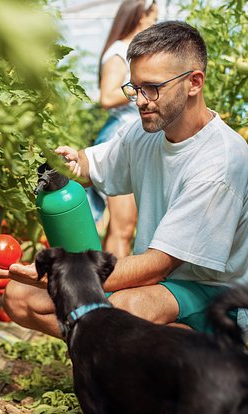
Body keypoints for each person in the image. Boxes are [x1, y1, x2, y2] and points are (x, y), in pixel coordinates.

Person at [0, 21, 248, 338]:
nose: (139, 100)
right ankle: (113, 354)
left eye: (152, 88)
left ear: (194, 82)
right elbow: (89, 166)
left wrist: (56, 275)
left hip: (219, 300)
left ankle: (205, 359)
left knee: (122, 310)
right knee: (19, 296)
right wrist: (56, 159)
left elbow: (157, 265)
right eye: (134, 88)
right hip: (159, 287)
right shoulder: (143, 133)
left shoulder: (219, 162)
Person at [88, 0, 158, 258]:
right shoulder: (119, 51)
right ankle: (112, 293)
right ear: (140, 17)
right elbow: (106, 97)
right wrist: (144, 86)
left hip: (134, 138)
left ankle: (107, 288)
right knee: (123, 226)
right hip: (119, 137)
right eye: (153, 18)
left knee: (125, 226)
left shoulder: (132, 52)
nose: (154, 24)